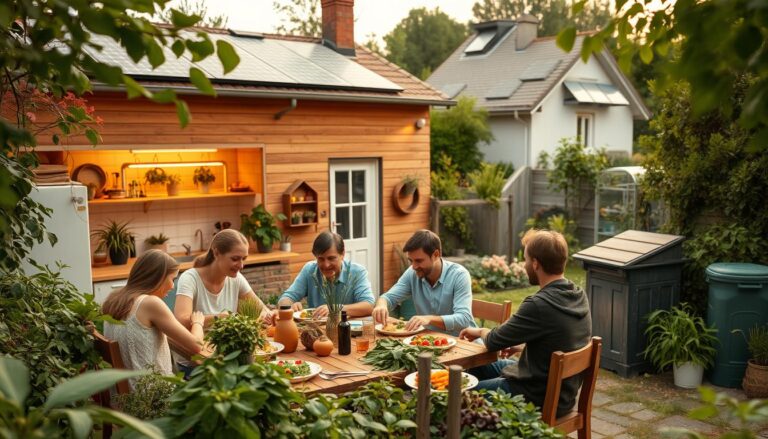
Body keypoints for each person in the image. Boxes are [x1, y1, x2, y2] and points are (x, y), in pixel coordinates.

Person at [459, 229, 591, 418]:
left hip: (534, 396)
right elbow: (562, 340)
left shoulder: (538, 304)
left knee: (457, 392)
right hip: (562, 394)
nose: (525, 264)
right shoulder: (577, 294)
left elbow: (494, 341)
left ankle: (483, 422)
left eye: (526, 259)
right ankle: (488, 424)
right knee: (477, 365)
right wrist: (521, 346)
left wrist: (480, 330)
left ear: (536, 263)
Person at [102, 250, 205, 387]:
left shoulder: (113, 299)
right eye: (172, 279)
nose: (173, 286)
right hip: (154, 397)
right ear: (158, 277)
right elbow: (197, 346)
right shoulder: (150, 303)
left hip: (125, 397)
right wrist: (198, 322)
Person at [371, 229, 475, 336]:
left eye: (419, 261)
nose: (414, 266)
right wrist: (381, 305)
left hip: (464, 341)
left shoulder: (459, 275)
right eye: (411, 261)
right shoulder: (412, 273)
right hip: (431, 340)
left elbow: (464, 319)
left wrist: (429, 319)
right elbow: (388, 297)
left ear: (436, 254)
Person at [174, 229, 272, 328]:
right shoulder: (190, 279)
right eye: (235, 259)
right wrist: (220, 318)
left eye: (243, 259)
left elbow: (261, 309)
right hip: (197, 342)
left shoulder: (237, 279)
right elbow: (182, 320)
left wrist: (267, 315)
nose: (241, 265)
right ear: (216, 253)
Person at [278, 231, 374, 318]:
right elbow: (286, 298)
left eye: (331, 258)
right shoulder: (309, 270)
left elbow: (369, 305)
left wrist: (336, 309)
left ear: (343, 254)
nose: (326, 265)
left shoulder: (357, 272)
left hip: (348, 331)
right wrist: (289, 307)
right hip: (316, 332)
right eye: (321, 259)